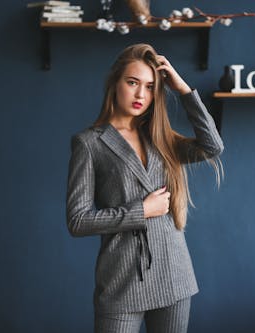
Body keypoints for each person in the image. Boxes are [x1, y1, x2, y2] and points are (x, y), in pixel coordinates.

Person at [66, 43, 224, 333]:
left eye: (150, 87)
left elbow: (212, 146)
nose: (141, 94)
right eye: (132, 82)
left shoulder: (159, 136)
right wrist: (141, 211)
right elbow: (78, 221)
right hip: (121, 281)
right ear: (115, 83)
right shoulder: (88, 143)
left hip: (174, 275)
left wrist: (184, 91)